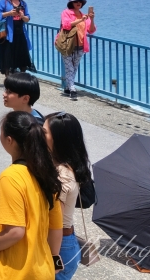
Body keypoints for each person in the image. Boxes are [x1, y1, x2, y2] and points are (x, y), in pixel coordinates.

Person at [0, 112, 63, 279]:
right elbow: (55, 228)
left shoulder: (11, 177)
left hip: (14, 273)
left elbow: (14, 232)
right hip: (43, 271)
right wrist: (53, 260)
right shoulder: (46, 173)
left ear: (9, 140)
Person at [44, 112, 93, 280]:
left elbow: (55, 222)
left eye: (44, 132)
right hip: (63, 242)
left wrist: (53, 258)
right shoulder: (62, 166)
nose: (39, 135)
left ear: (58, 139)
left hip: (58, 247)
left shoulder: (62, 175)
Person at [59, 0, 96, 101]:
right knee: (69, 67)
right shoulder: (66, 12)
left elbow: (91, 30)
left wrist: (92, 19)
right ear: (71, 3)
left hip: (80, 45)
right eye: (76, 2)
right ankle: (73, 89)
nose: (78, 3)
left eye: (80, 2)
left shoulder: (84, 16)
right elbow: (66, 25)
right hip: (67, 44)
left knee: (74, 67)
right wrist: (80, 21)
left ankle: (67, 87)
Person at [0, 0, 33, 76]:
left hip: (21, 33)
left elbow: (28, 18)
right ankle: (8, 80)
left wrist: (22, 16)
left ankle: (21, 79)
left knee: (22, 57)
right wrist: (9, 13)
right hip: (7, 34)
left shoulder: (23, 4)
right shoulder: (2, 2)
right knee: (7, 58)